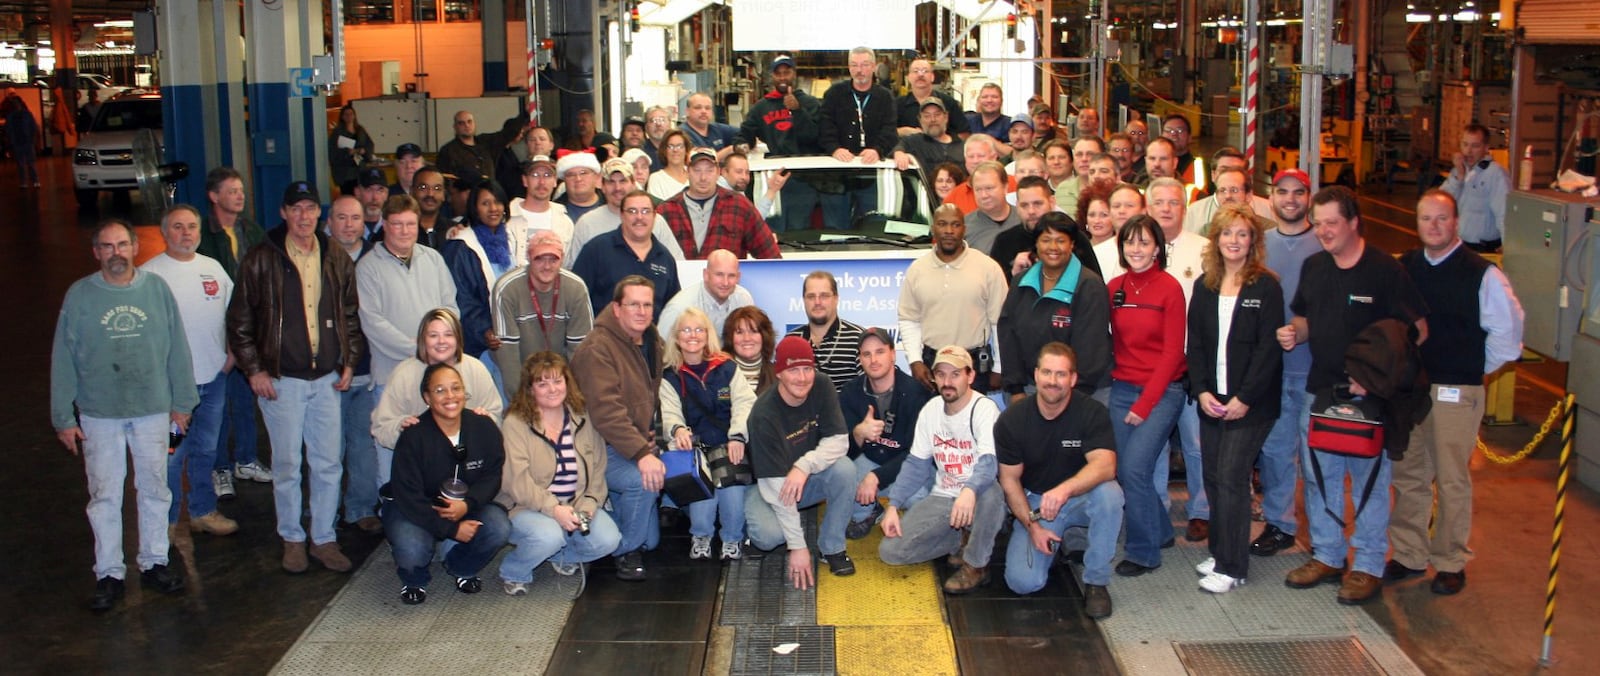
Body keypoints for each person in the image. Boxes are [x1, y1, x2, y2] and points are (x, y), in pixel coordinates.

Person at [1276, 185, 1428, 605]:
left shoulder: (1385, 271)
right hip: (1320, 391)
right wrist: (1295, 333)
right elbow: (1307, 318)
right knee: (1320, 478)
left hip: (1369, 399)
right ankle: (1327, 555)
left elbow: (1417, 332)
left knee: (1368, 484)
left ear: (1354, 222)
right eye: (1318, 223)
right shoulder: (1314, 267)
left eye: (1332, 223)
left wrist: (1376, 378)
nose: (1323, 231)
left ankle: (1367, 565)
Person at [54, 219, 197, 611]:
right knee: (104, 495)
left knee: (154, 488)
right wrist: (63, 416)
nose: (115, 253)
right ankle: (109, 572)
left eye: (122, 244)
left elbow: (177, 349)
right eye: (107, 246)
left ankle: (155, 562)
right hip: (100, 412)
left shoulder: (156, 290)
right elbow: (62, 358)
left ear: (135, 247)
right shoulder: (80, 296)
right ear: (96, 252)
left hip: (152, 409)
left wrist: (182, 402)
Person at [1388, 190, 1524, 595]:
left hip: (1454, 392)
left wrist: (1471, 371)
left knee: (1450, 479)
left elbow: (1508, 334)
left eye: (1441, 219)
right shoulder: (1406, 267)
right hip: (1411, 392)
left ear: (1456, 222)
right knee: (1409, 475)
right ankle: (1409, 553)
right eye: (1426, 218)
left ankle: (1449, 560)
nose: (1433, 226)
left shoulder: (1482, 274)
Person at [228, 180, 366, 575]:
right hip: (281, 380)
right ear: (284, 214)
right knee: (287, 464)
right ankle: (291, 537)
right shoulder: (261, 258)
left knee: (327, 464)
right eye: (296, 209)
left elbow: (350, 314)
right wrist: (254, 369)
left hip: (325, 379)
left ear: (318, 214)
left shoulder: (334, 256)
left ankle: (323, 537)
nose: (304, 217)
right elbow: (239, 321)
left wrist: (349, 361)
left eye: (310, 209)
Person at [1185, 205, 1285, 593]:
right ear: (1216, 239)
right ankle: (1220, 550)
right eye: (1228, 233)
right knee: (1213, 477)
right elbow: (1196, 346)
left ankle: (1233, 566)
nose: (1234, 241)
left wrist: (1245, 397)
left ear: (1253, 241)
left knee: (1231, 477)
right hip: (1213, 398)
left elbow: (1268, 351)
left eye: (1243, 234)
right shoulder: (1205, 286)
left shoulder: (1266, 286)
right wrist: (1204, 389)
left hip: (1252, 404)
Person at [996, 343, 1122, 619]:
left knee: (1111, 495)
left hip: (1079, 497)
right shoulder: (1012, 420)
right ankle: (1049, 543)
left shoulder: (1091, 412)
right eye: (1047, 373)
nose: (1053, 382)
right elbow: (1009, 481)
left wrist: (1065, 489)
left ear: (1073, 379)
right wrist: (1032, 526)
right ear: (1036, 374)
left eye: (1061, 374)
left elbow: (1106, 465)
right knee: (1023, 583)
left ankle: (1096, 581)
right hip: (1037, 505)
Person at [140, 205, 239, 538]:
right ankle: (167, 522)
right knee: (170, 456)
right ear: (165, 232)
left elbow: (235, 316)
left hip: (213, 380)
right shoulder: (150, 276)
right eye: (178, 227)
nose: (186, 233)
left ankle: (202, 510)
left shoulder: (212, 269)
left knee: (206, 449)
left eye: (192, 227)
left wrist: (230, 356)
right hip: (171, 388)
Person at [877, 346, 1006, 594]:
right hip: (944, 496)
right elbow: (916, 464)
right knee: (890, 552)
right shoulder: (931, 410)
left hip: (977, 496)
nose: (947, 382)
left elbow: (989, 463)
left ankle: (976, 564)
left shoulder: (984, 408)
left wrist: (968, 491)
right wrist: (893, 504)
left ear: (969, 376)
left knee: (991, 493)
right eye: (941, 374)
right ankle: (963, 538)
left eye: (955, 374)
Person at [381, 362, 511, 605]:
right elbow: (408, 495)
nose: (450, 396)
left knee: (498, 527)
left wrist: (468, 504)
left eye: (456, 388)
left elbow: (492, 475)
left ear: (464, 392)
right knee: (411, 546)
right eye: (440, 390)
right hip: (417, 508)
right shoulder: (413, 436)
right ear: (427, 397)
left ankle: (461, 566)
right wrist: (451, 530)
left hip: (465, 504)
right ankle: (414, 578)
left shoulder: (483, 427)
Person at [495, 351, 621, 595]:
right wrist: (554, 510)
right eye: (542, 383)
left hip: (575, 503)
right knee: (548, 536)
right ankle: (514, 571)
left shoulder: (583, 416)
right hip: (527, 507)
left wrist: (590, 502)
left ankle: (560, 555)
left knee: (608, 541)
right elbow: (517, 482)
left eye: (557, 381)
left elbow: (598, 467)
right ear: (530, 389)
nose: (552, 389)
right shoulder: (515, 422)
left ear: (567, 382)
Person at [1105, 215, 1188, 577]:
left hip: (1163, 390)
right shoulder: (1114, 287)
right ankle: (1163, 531)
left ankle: (1143, 552)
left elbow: (1172, 355)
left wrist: (1144, 404)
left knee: (1135, 469)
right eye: (1129, 242)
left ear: (1157, 247)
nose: (1136, 249)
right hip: (1122, 387)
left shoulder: (1170, 288)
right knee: (1126, 471)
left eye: (1143, 242)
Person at [745, 336, 861, 588]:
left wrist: (804, 466)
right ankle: (751, 527)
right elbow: (776, 488)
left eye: (807, 368)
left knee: (845, 470)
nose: (802, 378)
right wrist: (797, 547)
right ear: (779, 374)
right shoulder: (763, 414)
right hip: (768, 486)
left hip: (804, 478)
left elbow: (840, 441)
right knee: (768, 537)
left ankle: (831, 547)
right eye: (793, 370)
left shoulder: (822, 385)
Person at [571, 276, 667, 581]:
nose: (641, 311)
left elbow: (650, 398)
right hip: (597, 448)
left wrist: (653, 436)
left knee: (652, 542)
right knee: (645, 480)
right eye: (633, 304)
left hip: (628, 444)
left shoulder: (651, 341)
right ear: (616, 308)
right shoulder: (597, 349)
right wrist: (641, 453)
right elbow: (606, 413)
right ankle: (615, 548)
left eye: (647, 304)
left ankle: (605, 526)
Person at [1252, 168, 1317, 557]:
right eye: (1282, 192)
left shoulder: (1323, 243)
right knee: (1276, 454)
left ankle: (1324, 537)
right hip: (1273, 374)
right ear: (1271, 198)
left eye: (1298, 192)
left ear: (1308, 197)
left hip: (1314, 373)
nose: (1290, 199)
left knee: (1315, 460)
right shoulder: (1261, 245)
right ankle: (1280, 525)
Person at [197, 167, 273, 497]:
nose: (239, 196)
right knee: (217, 406)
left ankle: (246, 458)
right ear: (214, 196)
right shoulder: (203, 234)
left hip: (248, 331)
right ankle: (219, 467)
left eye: (241, 190)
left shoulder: (252, 231)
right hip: (215, 332)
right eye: (231, 190)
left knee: (244, 401)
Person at [660, 308, 757, 561]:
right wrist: (678, 430)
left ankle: (732, 538)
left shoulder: (726, 368)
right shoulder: (670, 376)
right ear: (677, 337)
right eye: (686, 330)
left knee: (731, 490)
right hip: (695, 446)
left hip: (727, 442)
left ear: (707, 334)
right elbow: (669, 412)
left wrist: (738, 436)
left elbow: (745, 402)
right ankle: (701, 535)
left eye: (699, 329)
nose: (693, 335)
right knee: (702, 493)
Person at [372, 309, 504, 489]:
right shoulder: (404, 374)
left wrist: (487, 421)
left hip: (468, 474)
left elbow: (497, 419)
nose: (441, 341)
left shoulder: (476, 370)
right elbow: (381, 427)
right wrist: (400, 427)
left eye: (448, 334)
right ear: (422, 340)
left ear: (458, 338)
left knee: (494, 518)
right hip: (417, 473)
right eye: (433, 335)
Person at [1149, 176, 1212, 541]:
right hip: (1150, 365)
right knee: (1154, 443)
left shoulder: (1203, 250)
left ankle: (1201, 509)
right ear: (1149, 207)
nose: (1167, 209)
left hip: (1191, 365)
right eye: (1160, 202)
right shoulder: (1138, 249)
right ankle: (1156, 507)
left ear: (1184, 209)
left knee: (1196, 443)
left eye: (1174, 202)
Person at [999, 212, 1112, 401]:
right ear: (1036, 244)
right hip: (1028, 388)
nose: (1053, 247)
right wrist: (1016, 388)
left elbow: (1091, 349)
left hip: (1080, 393)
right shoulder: (1021, 282)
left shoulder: (1089, 285)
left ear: (1072, 244)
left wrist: (1070, 398)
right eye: (1046, 240)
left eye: (1061, 240)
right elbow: (1008, 335)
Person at [358, 195, 460, 405]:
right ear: (385, 225)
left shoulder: (433, 259)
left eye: (410, 224)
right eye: (397, 224)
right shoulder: (368, 267)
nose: (405, 231)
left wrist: (438, 346)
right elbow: (372, 322)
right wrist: (419, 348)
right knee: (394, 436)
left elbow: (450, 308)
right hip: (391, 376)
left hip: (437, 373)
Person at [899, 204, 1009, 394]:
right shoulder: (917, 269)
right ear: (933, 228)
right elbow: (909, 319)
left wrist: (999, 367)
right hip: (931, 363)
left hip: (974, 364)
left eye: (955, 225)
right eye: (942, 224)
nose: (949, 231)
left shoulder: (987, 268)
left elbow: (999, 322)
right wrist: (915, 361)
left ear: (964, 229)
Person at [839, 327, 933, 539]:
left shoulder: (916, 393)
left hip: (904, 466)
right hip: (869, 460)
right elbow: (841, 452)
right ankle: (870, 511)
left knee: (917, 498)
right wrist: (858, 433)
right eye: (866, 354)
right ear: (860, 360)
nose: (873, 359)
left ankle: (896, 507)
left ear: (893, 354)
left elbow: (916, 455)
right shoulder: (850, 392)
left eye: (880, 351)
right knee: (840, 477)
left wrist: (876, 477)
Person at [324, 196, 382, 532]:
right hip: (324, 372)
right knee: (325, 448)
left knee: (363, 443)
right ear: (329, 221)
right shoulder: (315, 256)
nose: (348, 224)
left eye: (355, 218)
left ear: (365, 222)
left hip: (368, 368)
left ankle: (360, 508)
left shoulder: (377, 257)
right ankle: (322, 513)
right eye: (341, 217)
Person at [492, 231, 594, 393]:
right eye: (539, 259)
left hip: (560, 376)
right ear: (528, 257)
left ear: (562, 258)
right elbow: (508, 356)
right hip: (519, 371)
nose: (547, 266)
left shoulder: (576, 288)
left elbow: (580, 352)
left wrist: (572, 397)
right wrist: (522, 403)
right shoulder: (507, 288)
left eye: (553, 259)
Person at [656, 148, 782, 260]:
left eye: (709, 170)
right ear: (687, 172)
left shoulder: (740, 206)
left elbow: (771, 256)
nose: (703, 177)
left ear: (718, 172)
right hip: (680, 285)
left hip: (726, 284)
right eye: (697, 170)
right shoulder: (666, 210)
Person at [572, 191, 682, 318]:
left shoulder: (665, 258)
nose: (639, 217)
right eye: (632, 211)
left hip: (651, 336)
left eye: (646, 211)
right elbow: (576, 299)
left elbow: (672, 309)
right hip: (605, 336)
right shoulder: (596, 250)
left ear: (654, 216)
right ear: (622, 215)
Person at [570, 159, 686, 264]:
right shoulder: (586, 223)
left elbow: (677, 263)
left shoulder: (655, 221)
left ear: (633, 184)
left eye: (623, 181)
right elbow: (575, 271)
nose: (617, 188)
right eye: (611, 182)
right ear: (603, 186)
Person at [786, 270, 866, 391]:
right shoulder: (790, 341)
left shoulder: (858, 338)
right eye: (811, 296)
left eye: (824, 296)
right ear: (803, 300)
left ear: (836, 299)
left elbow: (869, 390)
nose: (817, 302)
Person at [819, 46, 898, 167]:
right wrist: (834, 149)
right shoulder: (834, 94)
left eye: (864, 65)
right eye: (854, 65)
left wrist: (877, 150)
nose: (859, 70)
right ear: (849, 67)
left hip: (874, 165)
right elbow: (825, 125)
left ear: (873, 67)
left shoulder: (885, 97)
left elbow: (889, 130)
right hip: (839, 164)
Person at [1441, 123, 1510, 253]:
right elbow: (1441, 202)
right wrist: (1459, 177)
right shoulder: (1459, 171)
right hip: (1459, 245)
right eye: (1465, 145)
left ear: (1486, 148)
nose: (1468, 151)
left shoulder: (1495, 173)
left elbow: (1504, 212)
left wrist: (1508, 245)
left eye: (1475, 146)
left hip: (1483, 248)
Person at [737, 54, 822, 157]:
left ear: (794, 74)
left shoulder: (811, 103)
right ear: (772, 76)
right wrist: (741, 144)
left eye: (786, 73)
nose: (782, 78)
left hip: (808, 166)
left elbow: (815, 136)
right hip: (777, 166)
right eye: (778, 74)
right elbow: (745, 133)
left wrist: (797, 111)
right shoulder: (761, 107)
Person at [658, 249, 755, 335]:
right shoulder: (679, 308)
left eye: (731, 276)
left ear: (738, 277)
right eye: (719, 274)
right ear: (706, 275)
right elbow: (661, 350)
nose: (725, 282)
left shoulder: (744, 300)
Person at [506, 154, 575, 256]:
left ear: (555, 181)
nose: (542, 182)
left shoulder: (565, 223)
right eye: (535, 175)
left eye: (547, 175)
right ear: (525, 181)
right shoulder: (507, 218)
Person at [436, 109, 529, 182]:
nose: (466, 125)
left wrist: (525, 113)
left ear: (474, 124)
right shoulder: (448, 150)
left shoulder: (486, 142)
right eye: (461, 123)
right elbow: (443, 177)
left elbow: (508, 133)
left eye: (469, 121)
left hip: (489, 192)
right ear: (455, 127)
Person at [1182, 166, 1273, 235]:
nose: (1228, 196)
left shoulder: (1269, 231)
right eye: (1222, 191)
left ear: (1248, 195)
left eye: (1234, 190)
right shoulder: (1208, 231)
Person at [896, 58, 970, 138]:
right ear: (909, 77)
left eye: (925, 71)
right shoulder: (897, 105)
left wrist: (945, 142)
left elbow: (964, 133)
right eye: (916, 71)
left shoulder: (948, 102)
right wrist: (904, 131)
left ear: (932, 77)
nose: (920, 75)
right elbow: (886, 133)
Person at [893, 98, 965, 179]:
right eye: (927, 116)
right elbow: (898, 148)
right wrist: (899, 154)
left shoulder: (963, 146)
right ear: (920, 120)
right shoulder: (913, 142)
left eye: (937, 115)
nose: (933, 120)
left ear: (946, 117)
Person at [963, 162, 1020, 254]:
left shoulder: (1024, 219)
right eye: (978, 190)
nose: (984, 195)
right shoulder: (964, 226)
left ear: (1005, 187)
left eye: (989, 188)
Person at [725, 306, 778, 395]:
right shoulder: (719, 374)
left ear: (764, 336)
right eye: (739, 332)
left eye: (753, 331)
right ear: (730, 337)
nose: (747, 338)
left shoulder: (778, 376)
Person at [329, 103, 375, 192]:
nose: (349, 117)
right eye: (346, 114)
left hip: (360, 170)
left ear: (354, 116)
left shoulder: (360, 130)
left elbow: (369, 145)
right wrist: (347, 152)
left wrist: (364, 151)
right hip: (346, 172)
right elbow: (333, 152)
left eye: (351, 114)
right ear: (342, 117)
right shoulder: (337, 133)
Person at [681, 92, 740, 160]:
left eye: (707, 108)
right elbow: (702, 162)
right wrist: (730, 150)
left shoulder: (718, 129)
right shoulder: (682, 135)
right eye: (698, 108)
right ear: (687, 111)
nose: (703, 111)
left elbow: (745, 134)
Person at [554, 152, 605, 223]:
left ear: (596, 176)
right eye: (571, 175)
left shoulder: (612, 203)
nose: (578, 179)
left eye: (583, 173)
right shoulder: (554, 211)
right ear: (564, 180)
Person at [410, 167, 453, 249]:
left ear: (444, 195)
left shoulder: (454, 231)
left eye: (437, 188)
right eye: (423, 187)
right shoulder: (400, 231)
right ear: (411, 191)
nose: (430, 194)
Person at [5, 92, 40, 187]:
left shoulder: (13, 116)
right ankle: (30, 181)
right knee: (26, 163)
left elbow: (32, 127)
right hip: (22, 140)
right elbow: (33, 127)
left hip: (22, 141)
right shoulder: (25, 115)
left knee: (27, 163)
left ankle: (28, 181)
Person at [647, 129, 692, 201]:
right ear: (664, 150)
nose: (675, 150)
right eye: (670, 146)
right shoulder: (656, 179)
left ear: (686, 150)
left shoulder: (694, 174)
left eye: (679, 146)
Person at [352, 168, 390, 241]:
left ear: (386, 194)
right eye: (368, 190)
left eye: (380, 190)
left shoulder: (393, 225)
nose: (375, 197)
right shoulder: (346, 225)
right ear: (358, 192)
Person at [1161, 114, 1197, 183]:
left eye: (1180, 131)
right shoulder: (1153, 165)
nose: (1174, 134)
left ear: (1189, 137)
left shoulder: (1200, 168)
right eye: (1169, 130)